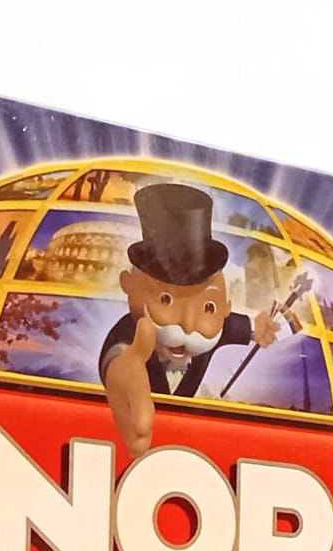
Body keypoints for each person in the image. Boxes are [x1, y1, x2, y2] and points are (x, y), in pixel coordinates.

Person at [99, 182, 296, 456]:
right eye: (166, 300)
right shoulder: (130, 334)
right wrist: (120, 373)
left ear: (225, 307)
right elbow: (118, 358)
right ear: (129, 286)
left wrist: (258, 327)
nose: (188, 324)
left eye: (208, 307)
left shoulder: (215, 328)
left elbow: (239, 326)